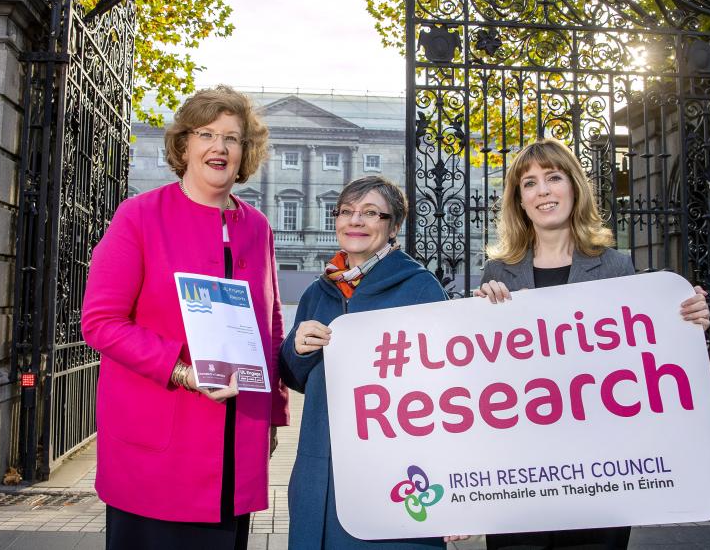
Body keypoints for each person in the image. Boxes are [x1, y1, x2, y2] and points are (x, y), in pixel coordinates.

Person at [475, 138, 710, 550]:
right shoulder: (498, 272)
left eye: (553, 178)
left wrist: (687, 320)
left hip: (599, 466)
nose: (543, 191)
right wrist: (477, 320)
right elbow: (482, 371)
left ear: (574, 187)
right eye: (529, 183)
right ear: (520, 200)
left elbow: (642, 353)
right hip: (519, 465)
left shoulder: (617, 266)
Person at [81, 86, 289, 550]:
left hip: (237, 441)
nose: (219, 147)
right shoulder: (138, 216)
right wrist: (181, 370)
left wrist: (273, 415)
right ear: (184, 145)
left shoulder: (257, 226)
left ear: (245, 152)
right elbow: (100, 321)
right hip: (160, 441)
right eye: (207, 134)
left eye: (232, 138)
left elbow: (270, 325)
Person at [279, 176, 466, 549]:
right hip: (321, 473)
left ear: (393, 226)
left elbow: (451, 392)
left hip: (393, 473)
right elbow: (295, 376)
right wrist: (297, 350)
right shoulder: (320, 290)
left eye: (370, 213)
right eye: (346, 212)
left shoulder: (420, 287)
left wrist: (454, 485)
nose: (355, 221)